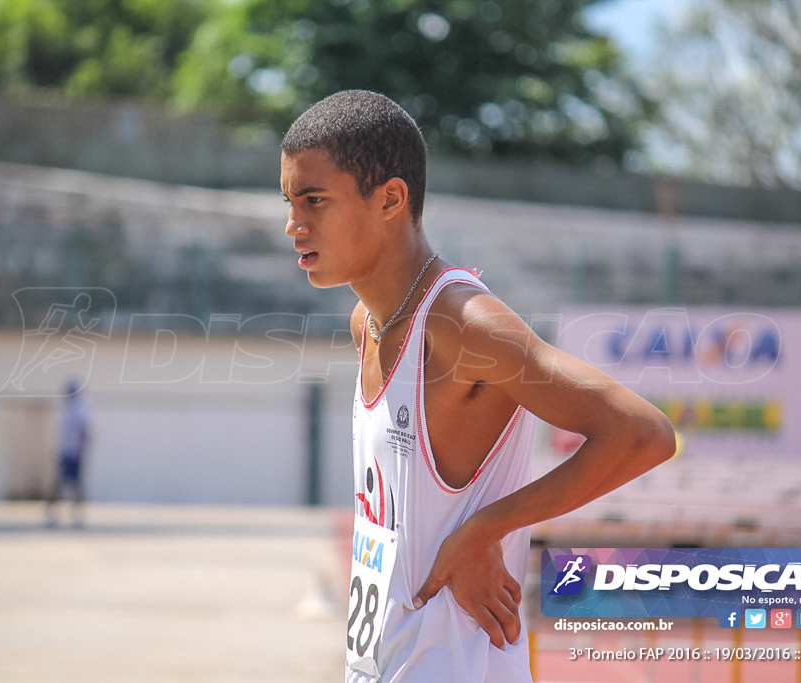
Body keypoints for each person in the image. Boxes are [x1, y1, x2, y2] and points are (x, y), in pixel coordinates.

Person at [280, 90, 676, 682]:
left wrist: (485, 531)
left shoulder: (465, 324)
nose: (293, 224)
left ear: (390, 198)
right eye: (289, 201)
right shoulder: (367, 322)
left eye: (315, 200)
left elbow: (643, 434)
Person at [45, 378, 91, 527]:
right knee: (58, 482)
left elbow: (85, 431)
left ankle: (78, 515)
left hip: (74, 452)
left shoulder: (80, 408)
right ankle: (51, 512)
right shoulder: (66, 408)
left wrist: (82, 452)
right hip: (65, 451)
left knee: (75, 484)